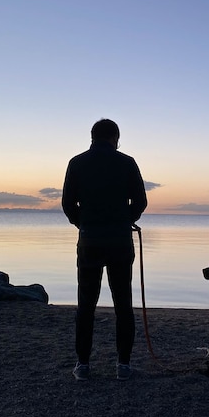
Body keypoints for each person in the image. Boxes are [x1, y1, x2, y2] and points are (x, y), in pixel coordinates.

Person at [62, 118, 148, 381]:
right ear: (116, 138)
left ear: (92, 137)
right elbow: (141, 201)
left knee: (86, 304)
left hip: (89, 241)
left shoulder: (76, 163)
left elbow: (67, 204)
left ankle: (83, 365)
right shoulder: (127, 162)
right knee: (123, 304)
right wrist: (125, 220)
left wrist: (84, 223)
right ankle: (123, 365)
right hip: (120, 242)